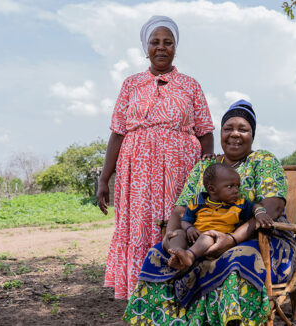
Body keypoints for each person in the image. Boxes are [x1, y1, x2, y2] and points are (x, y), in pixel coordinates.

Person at [123, 99, 296, 325]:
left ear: (252, 135)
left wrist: (231, 239)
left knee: (236, 260)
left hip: (261, 239)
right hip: (200, 238)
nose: (235, 134)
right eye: (228, 128)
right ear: (221, 133)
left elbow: (273, 207)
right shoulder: (205, 167)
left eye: (243, 129)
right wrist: (173, 239)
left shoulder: (262, 160)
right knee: (158, 254)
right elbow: (180, 209)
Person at [96, 15, 215, 300]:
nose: (161, 48)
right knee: (140, 226)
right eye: (155, 42)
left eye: (168, 42)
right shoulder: (130, 84)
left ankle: (177, 286)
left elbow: (206, 132)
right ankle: (141, 290)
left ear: (175, 47)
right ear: (145, 47)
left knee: (174, 223)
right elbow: (117, 134)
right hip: (136, 170)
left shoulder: (190, 85)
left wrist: (205, 170)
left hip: (180, 169)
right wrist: (104, 179)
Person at [167, 164, 271, 270]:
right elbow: (185, 220)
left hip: (217, 240)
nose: (236, 190)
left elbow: (255, 206)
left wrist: (259, 213)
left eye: (237, 186)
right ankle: (176, 255)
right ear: (212, 190)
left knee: (207, 237)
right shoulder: (197, 202)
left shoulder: (239, 204)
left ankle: (189, 256)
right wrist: (189, 228)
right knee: (178, 233)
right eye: (230, 186)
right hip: (194, 238)